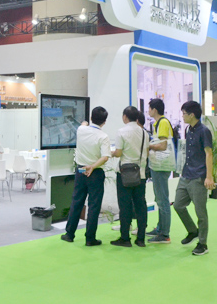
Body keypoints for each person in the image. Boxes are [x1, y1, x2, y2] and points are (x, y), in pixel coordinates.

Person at [61, 106, 111, 246]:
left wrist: (85, 123)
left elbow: (83, 124)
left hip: (81, 170)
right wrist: (93, 166)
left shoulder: (81, 129)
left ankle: (69, 234)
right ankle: (90, 238)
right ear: (104, 122)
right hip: (96, 172)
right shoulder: (103, 136)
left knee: (77, 202)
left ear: (91, 118)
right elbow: (105, 157)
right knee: (94, 206)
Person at [174, 101, 215, 256]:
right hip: (186, 174)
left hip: (198, 176)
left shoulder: (204, 131)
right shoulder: (188, 130)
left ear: (191, 115)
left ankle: (203, 244)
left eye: (184, 113)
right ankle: (193, 231)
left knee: (200, 212)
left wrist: (209, 177)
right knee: (178, 205)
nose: (182, 116)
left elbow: (209, 154)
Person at [110, 106, 149, 248]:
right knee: (141, 205)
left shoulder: (121, 132)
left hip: (125, 175)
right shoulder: (144, 133)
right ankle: (141, 238)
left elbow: (119, 153)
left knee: (125, 206)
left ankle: (125, 238)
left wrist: (111, 153)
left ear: (125, 117)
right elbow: (146, 152)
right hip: (141, 174)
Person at [146, 98, 175, 244]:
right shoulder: (158, 123)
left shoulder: (162, 123)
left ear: (155, 110)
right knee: (160, 198)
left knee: (162, 199)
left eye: (149, 108)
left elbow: (163, 146)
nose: (148, 111)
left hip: (161, 165)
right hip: (159, 165)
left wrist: (148, 146)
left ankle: (164, 234)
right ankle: (160, 228)